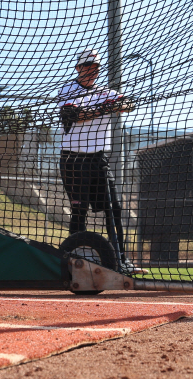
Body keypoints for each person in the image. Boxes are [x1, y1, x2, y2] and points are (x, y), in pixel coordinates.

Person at [57, 50, 144, 274]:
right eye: (86, 66)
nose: (91, 71)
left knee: (113, 209)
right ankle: (75, 261)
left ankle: (120, 261)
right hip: (73, 159)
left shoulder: (106, 92)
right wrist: (107, 107)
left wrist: (112, 105)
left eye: (94, 67)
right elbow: (75, 115)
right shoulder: (68, 89)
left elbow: (128, 105)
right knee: (79, 210)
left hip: (99, 159)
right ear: (78, 68)